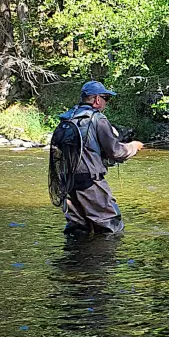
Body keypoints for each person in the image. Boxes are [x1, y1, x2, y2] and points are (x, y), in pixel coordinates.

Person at [57, 81, 143, 236]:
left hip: (67, 182)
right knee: (110, 227)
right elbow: (116, 152)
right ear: (97, 99)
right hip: (90, 183)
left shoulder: (67, 118)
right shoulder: (98, 119)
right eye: (106, 98)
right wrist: (133, 147)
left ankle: (75, 259)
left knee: (78, 228)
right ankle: (104, 260)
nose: (106, 103)